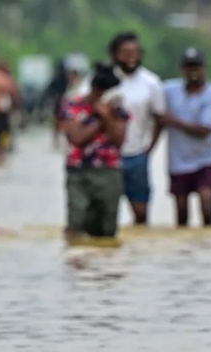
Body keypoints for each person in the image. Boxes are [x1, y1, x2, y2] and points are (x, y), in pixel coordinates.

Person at [61, 63, 128, 243]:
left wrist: (108, 116)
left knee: (106, 228)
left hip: (109, 172)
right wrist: (99, 118)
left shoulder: (118, 110)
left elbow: (119, 141)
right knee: (77, 222)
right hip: (79, 172)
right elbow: (77, 138)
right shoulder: (73, 106)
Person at [105, 32, 166, 225]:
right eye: (125, 53)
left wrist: (149, 149)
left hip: (138, 154)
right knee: (106, 213)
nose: (131, 57)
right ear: (115, 55)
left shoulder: (151, 82)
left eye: (135, 52)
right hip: (108, 155)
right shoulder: (103, 80)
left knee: (140, 213)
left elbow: (160, 119)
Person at [161, 48, 211, 227]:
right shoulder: (169, 90)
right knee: (181, 213)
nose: (193, 71)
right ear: (182, 69)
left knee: (207, 207)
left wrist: (173, 121)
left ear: (204, 68)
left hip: (204, 159)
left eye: (196, 66)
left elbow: (205, 129)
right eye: (189, 67)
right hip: (178, 161)